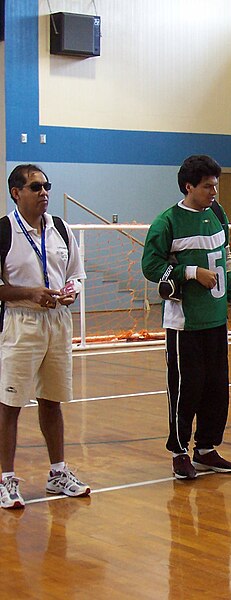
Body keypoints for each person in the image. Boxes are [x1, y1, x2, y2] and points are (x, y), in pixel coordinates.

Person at [142, 155, 231, 480]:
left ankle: (206, 448)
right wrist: (189, 271)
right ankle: (179, 451)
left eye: (216, 185)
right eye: (207, 186)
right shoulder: (167, 222)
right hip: (184, 324)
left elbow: (226, 257)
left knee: (217, 387)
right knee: (187, 387)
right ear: (189, 187)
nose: (214, 192)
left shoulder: (217, 214)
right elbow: (151, 266)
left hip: (215, 321)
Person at [0, 164, 90, 509]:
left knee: (52, 400)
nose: (44, 193)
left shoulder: (61, 229)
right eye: (35, 187)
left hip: (57, 321)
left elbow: (76, 275)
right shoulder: (4, 231)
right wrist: (29, 294)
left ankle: (58, 473)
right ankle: (6, 479)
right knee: (10, 404)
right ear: (16, 192)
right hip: (20, 322)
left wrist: (72, 291)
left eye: (46, 186)